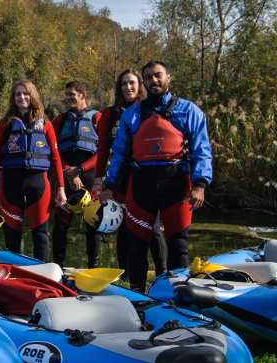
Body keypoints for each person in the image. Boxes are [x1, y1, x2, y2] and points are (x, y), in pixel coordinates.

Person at [103, 61, 212, 293]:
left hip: (176, 183)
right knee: (137, 245)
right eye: (149, 78)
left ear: (168, 77)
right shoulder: (132, 114)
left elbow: (202, 150)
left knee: (178, 245)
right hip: (142, 184)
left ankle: (177, 295)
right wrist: (109, 185)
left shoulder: (189, 111)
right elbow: (120, 152)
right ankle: (137, 296)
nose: (154, 81)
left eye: (158, 75)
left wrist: (200, 184)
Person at [92, 70, 167, 278]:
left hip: (146, 175)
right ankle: (125, 274)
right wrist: (99, 179)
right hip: (121, 177)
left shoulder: (150, 110)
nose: (128, 87)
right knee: (125, 226)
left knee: (152, 226)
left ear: (139, 85)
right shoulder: (110, 114)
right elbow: (103, 149)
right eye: (124, 84)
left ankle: (163, 273)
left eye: (132, 83)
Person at [0, 79, 66, 259]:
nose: (22, 97)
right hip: (12, 183)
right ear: (13, 98)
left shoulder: (45, 124)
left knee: (41, 234)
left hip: (38, 183)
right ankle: (15, 274)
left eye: (25, 93)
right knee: (12, 235)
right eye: (18, 94)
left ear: (32, 95)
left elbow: (56, 158)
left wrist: (61, 188)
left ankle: (42, 273)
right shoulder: (5, 124)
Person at [51, 81, 102, 267]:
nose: (68, 98)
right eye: (67, 94)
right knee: (61, 224)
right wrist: (68, 172)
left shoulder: (97, 117)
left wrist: (79, 170)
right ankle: (58, 266)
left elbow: (103, 151)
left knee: (92, 223)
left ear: (83, 95)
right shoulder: (60, 120)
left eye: (72, 94)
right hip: (65, 175)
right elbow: (54, 149)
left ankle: (94, 267)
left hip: (89, 174)